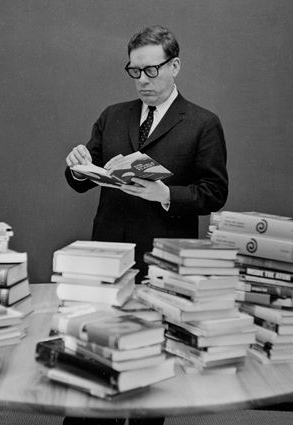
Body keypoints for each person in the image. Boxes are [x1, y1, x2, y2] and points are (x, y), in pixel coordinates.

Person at [62, 25, 228, 425]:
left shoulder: (203, 123)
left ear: (175, 67)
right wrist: (79, 168)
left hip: (163, 262)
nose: (143, 81)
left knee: (149, 374)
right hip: (108, 258)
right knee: (95, 363)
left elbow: (215, 192)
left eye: (151, 71)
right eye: (134, 71)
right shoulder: (112, 116)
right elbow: (82, 179)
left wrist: (167, 195)